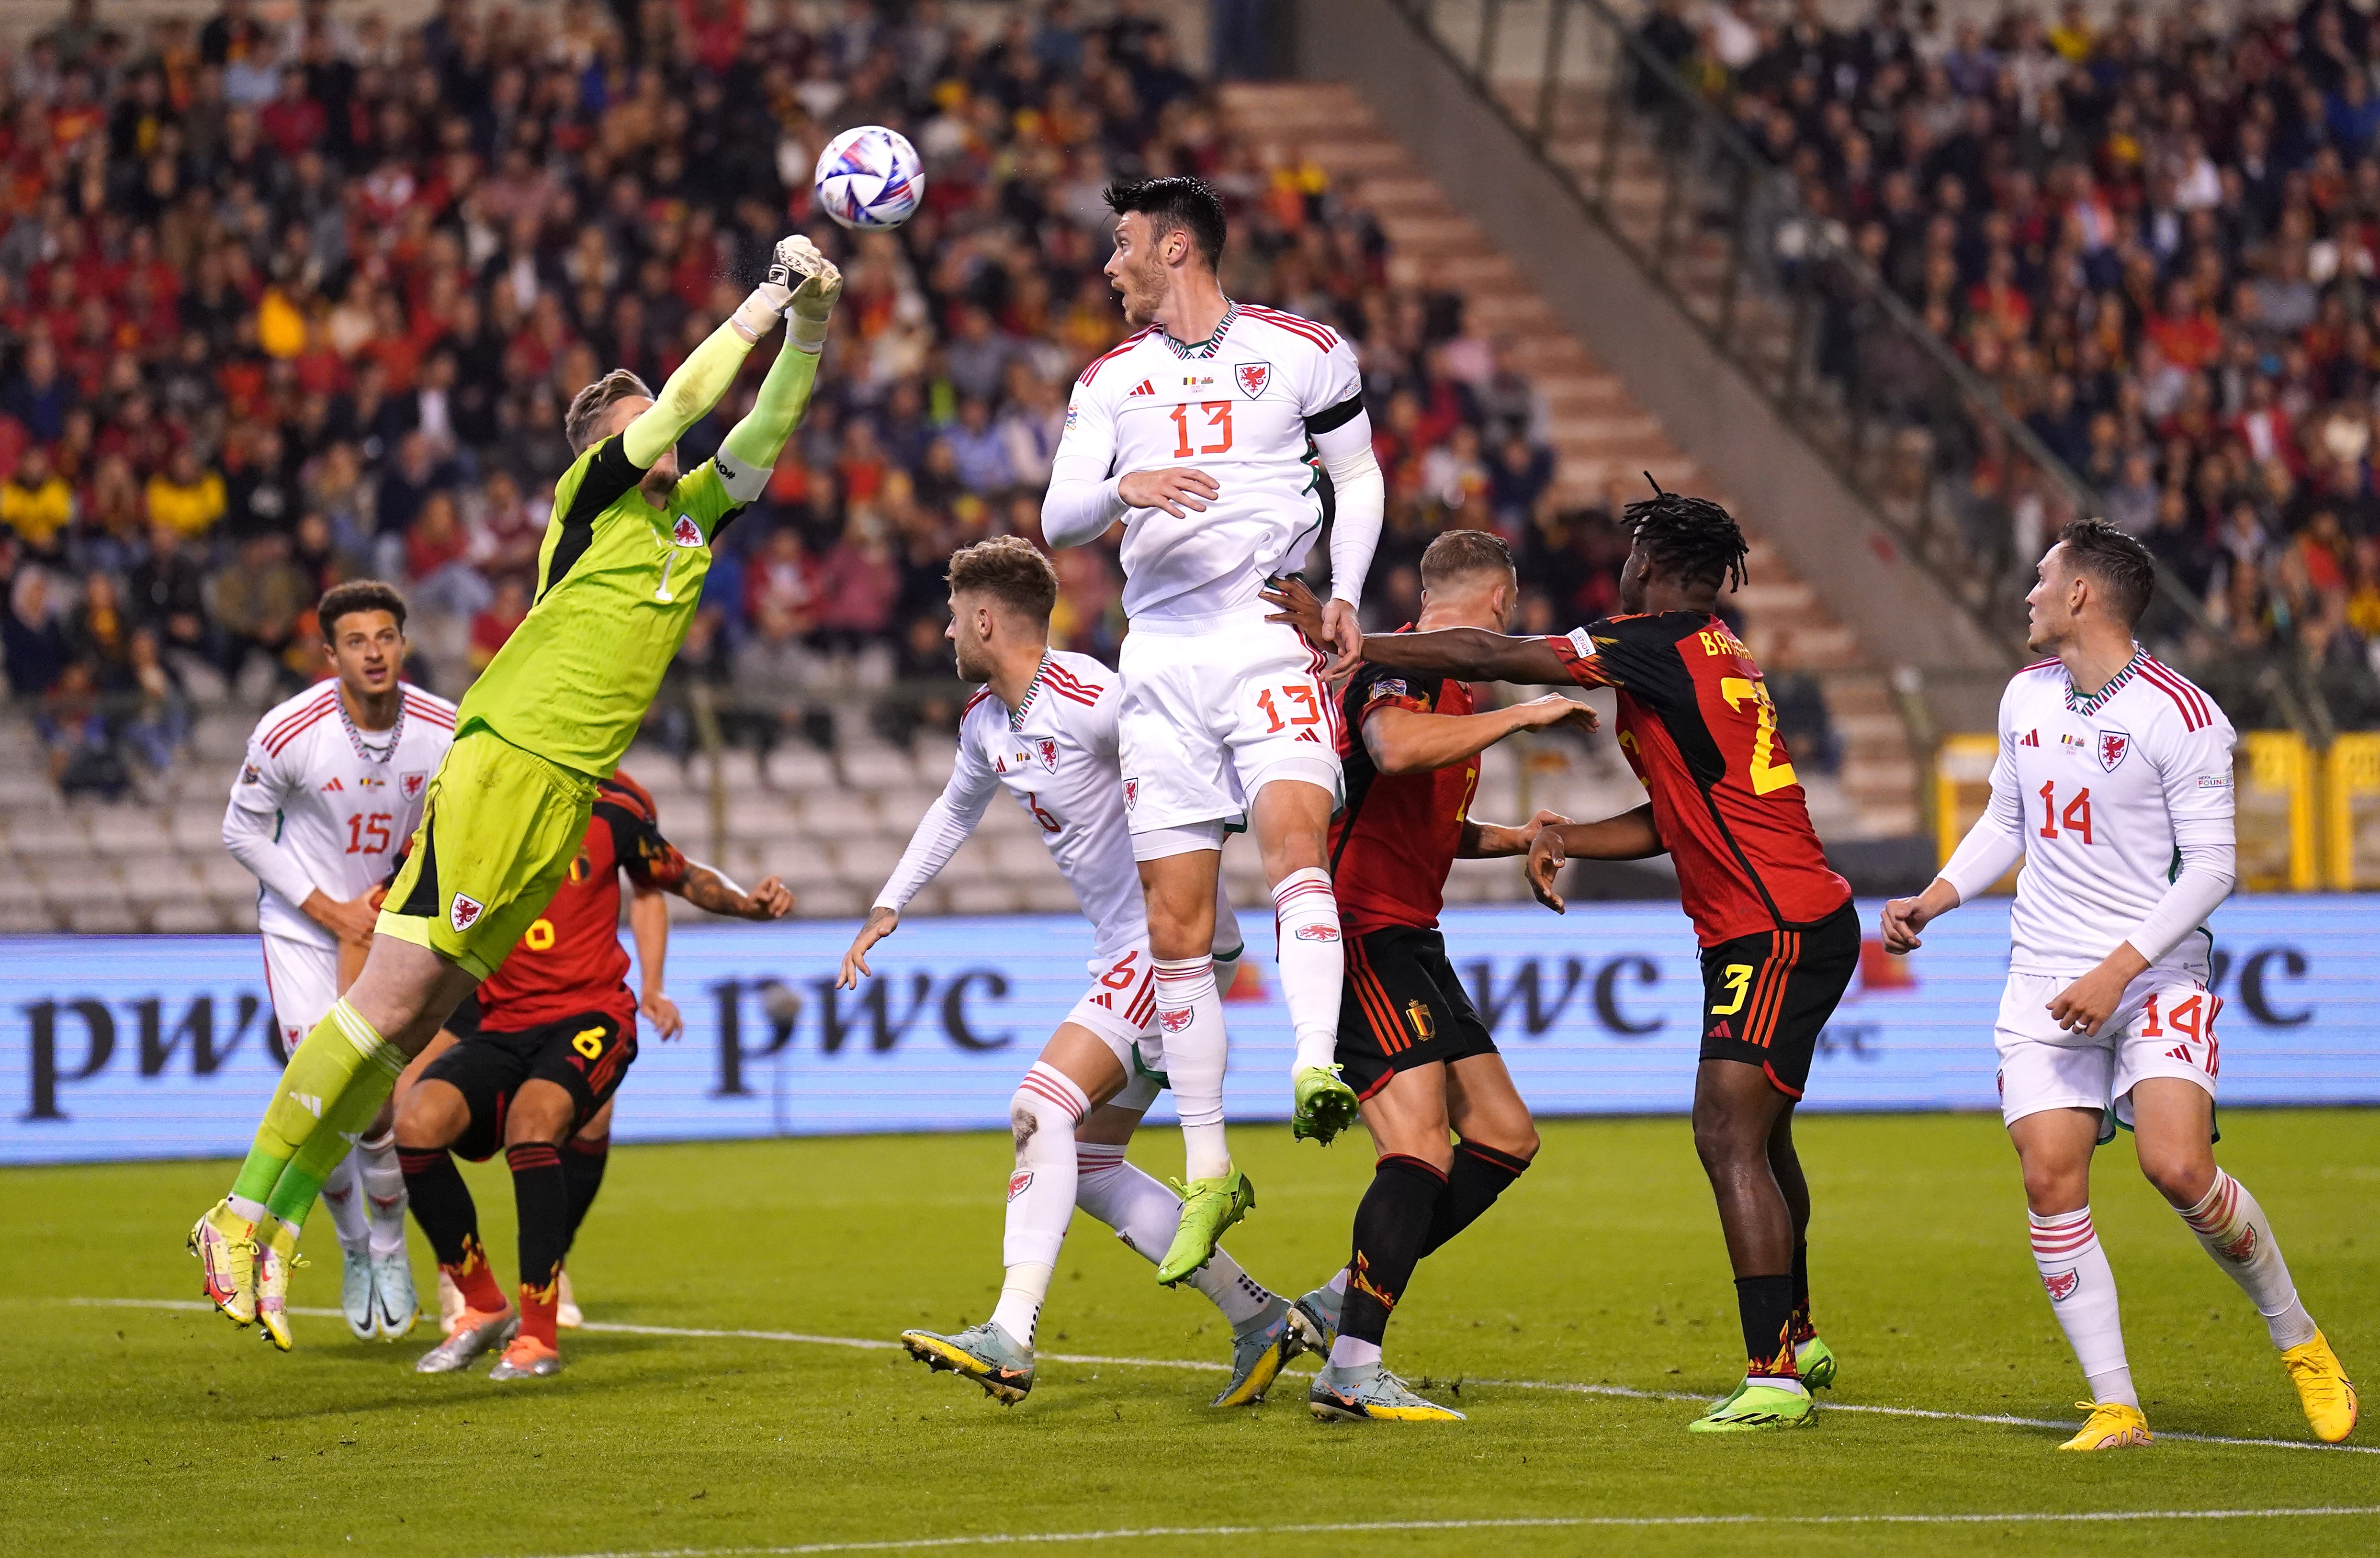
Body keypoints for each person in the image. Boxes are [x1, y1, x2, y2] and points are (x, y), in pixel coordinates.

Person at [188, 233, 844, 1349]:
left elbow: (766, 427)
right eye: (653, 420)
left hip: (564, 793)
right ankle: (243, 1209)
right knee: (387, 1007)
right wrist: (767, 299)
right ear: (616, 441)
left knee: (412, 1027)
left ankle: (286, 1217)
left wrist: (814, 328)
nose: (677, 432)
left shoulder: (693, 519)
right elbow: (693, 390)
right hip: (509, 763)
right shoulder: (590, 501)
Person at [1291, 488, 1855, 1433]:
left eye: (1633, 549)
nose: (1620, 564)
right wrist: (1554, 836)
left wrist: (1361, 640)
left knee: (1726, 1134)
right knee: (1748, 1137)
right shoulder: (1720, 653)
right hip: (1798, 913)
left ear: (1657, 564)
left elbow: (1482, 654)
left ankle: (1774, 1371)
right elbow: (1671, 818)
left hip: (1768, 924)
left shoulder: (1651, 638)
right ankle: (1794, 1337)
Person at [1880, 520, 2357, 1450]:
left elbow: (2213, 869)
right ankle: (2115, 1405)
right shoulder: (2024, 696)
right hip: (2042, 975)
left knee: (2175, 1166)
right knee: (2048, 1177)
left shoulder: (2180, 716)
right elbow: (2004, 822)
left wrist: (2118, 969)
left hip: (2149, 972)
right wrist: (1933, 898)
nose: (2026, 593)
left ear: (2081, 597)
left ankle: (2296, 1336)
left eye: (2040, 578)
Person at [850, 538, 1313, 1408]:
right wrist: (890, 904)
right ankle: (1259, 1318)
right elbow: (953, 814)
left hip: (1167, 945)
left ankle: (1010, 1333)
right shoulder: (989, 722)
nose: (947, 633)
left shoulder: (1092, 696)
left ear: (985, 619)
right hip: (1122, 949)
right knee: (1091, 1160)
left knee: (1039, 1107)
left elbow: (1191, 758)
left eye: (954, 617)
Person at [1041, 175, 1386, 1287]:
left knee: (1296, 843)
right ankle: (1209, 1166)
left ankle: (1314, 1066)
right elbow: (1056, 518)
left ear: (1177, 248)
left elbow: (1360, 474)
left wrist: (1347, 590)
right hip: (1161, 656)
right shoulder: (1108, 381)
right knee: (1176, 921)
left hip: (1266, 635)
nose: (1110, 266)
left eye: (1124, 246)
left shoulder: (1304, 350)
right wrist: (1124, 487)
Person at [1266, 532, 1589, 1422]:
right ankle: (1351, 1367)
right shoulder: (1391, 667)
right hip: (1360, 932)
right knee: (1417, 1150)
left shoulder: (1450, 691)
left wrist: (1520, 838)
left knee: (1505, 1137)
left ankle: (1343, 1298)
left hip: (1414, 936)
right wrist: (1522, 715)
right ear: (1499, 604)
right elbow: (1398, 750)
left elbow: (1430, 820)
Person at [397, 769, 792, 1380]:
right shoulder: (469, 799)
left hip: (591, 1012)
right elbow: (414, 901)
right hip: (502, 1021)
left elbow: (675, 877)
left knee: (536, 1123)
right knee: (417, 1120)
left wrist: (745, 906)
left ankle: (539, 1332)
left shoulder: (614, 805)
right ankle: (480, 1302)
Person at [218, 580, 455, 1345]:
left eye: (385, 636)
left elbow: (454, 822)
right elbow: (242, 833)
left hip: (391, 930)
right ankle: (357, 1249)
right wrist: (328, 908)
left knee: (377, 1104)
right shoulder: (290, 731)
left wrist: (397, 894)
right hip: (304, 930)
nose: (374, 652)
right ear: (331, 655)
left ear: (403, 644)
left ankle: (389, 1251)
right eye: (356, 641)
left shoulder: (443, 729)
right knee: (322, 1096)